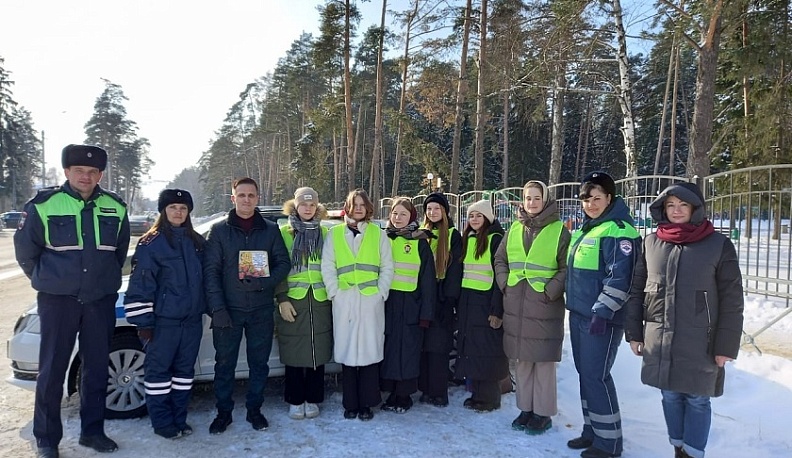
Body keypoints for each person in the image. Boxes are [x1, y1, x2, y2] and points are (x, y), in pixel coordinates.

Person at [14, 144, 130, 457]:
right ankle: (47, 440)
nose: (86, 176)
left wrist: (101, 282)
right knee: (52, 371)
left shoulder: (115, 207)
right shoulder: (44, 204)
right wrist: (50, 281)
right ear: (67, 172)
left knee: (95, 368)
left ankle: (92, 433)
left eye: (93, 172)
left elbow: (119, 253)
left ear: (100, 174)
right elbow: (26, 252)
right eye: (79, 170)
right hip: (58, 301)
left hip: (100, 301)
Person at [625, 183, 744, 458]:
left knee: (697, 399)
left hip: (700, 341)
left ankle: (692, 453)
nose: (677, 211)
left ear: (695, 208)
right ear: (663, 209)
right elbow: (637, 290)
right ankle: (678, 447)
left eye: (683, 205)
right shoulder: (652, 243)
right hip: (660, 338)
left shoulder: (718, 245)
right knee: (669, 395)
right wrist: (634, 332)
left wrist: (725, 346)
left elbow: (732, 300)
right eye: (670, 205)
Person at [203, 177, 291, 434]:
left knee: (259, 364)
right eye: (241, 195)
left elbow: (283, 264)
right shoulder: (219, 231)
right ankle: (223, 413)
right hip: (229, 310)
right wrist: (217, 309)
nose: (246, 200)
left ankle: (255, 410)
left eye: (251, 195)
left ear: (258, 198)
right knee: (225, 364)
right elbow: (211, 272)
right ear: (233, 198)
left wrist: (265, 283)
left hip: (261, 309)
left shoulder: (270, 229)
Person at [565, 171, 640, 458]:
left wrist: (603, 311)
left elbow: (620, 277)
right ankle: (592, 430)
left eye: (597, 198)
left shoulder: (619, 230)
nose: (591, 204)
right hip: (580, 315)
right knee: (586, 375)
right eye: (586, 199)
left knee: (597, 376)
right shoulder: (588, 228)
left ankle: (609, 443)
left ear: (610, 198)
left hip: (601, 319)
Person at [123, 189, 205, 439]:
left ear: (189, 212)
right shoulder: (151, 242)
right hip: (163, 323)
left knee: (184, 373)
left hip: (191, 322)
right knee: (158, 376)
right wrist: (144, 323)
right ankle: (162, 423)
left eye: (183, 208)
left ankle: (179, 419)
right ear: (163, 211)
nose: (178, 212)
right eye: (173, 208)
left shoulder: (197, 242)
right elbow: (140, 285)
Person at [495, 180, 571, 434]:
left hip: (544, 307)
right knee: (524, 360)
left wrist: (551, 290)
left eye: (537, 198)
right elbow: (501, 259)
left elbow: (565, 267)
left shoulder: (559, 230)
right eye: (528, 198)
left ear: (546, 199)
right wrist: (505, 283)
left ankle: (543, 413)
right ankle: (525, 409)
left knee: (544, 362)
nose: (532, 203)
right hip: (517, 304)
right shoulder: (515, 228)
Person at [321, 189, 394, 421]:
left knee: (370, 354)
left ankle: (367, 403)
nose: (359, 208)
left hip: (370, 299)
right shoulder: (335, 233)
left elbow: (387, 267)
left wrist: (381, 293)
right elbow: (328, 266)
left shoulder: (378, 233)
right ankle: (350, 403)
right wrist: (334, 293)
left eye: (363, 204)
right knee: (348, 355)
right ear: (348, 207)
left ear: (368, 207)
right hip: (345, 300)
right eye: (355, 204)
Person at [275, 187, 333, 420]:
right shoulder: (283, 233)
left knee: (317, 352)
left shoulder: (326, 233)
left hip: (319, 299)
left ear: (317, 207)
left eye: (312, 205)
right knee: (293, 352)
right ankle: (295, 400)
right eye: (303, 204)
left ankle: (313, 398)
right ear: (295, 206)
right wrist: (281, 298)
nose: (308, 209)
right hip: (293, 300)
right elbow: (276, 266)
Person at [380, 198, 436, 414]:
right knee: (390, 349)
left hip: (412, 305)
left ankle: (404, 395)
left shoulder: (420, 242)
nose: (398, 218)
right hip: (388, 303)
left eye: (403, 214)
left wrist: (426, 313)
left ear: (411, 217)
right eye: (395, 213)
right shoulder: (384, 239)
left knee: (409, 351)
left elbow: (428, 281)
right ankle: (391, 391)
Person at [455, 199, 508, 412]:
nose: (474, 219)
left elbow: (499, 278)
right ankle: (477, 393)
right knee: (473, 349)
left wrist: (497, 310)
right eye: (471, 216)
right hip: (470, 302)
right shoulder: (469, 238)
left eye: (479, 215)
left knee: (487, 350)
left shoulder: (495, 239)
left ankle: (490, 397)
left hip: (486, 303)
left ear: (488, 217)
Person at [418, 192, 462, 407]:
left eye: (437, 208)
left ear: (444, 211)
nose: (432, 212)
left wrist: (450, 299)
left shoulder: (453, 234)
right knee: (424, 346)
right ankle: (425, 389)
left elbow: (455, 269)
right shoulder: (420, 234)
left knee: (439, 347)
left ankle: (438, 391)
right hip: (423, 295)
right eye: (429, 209)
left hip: (442, 295)